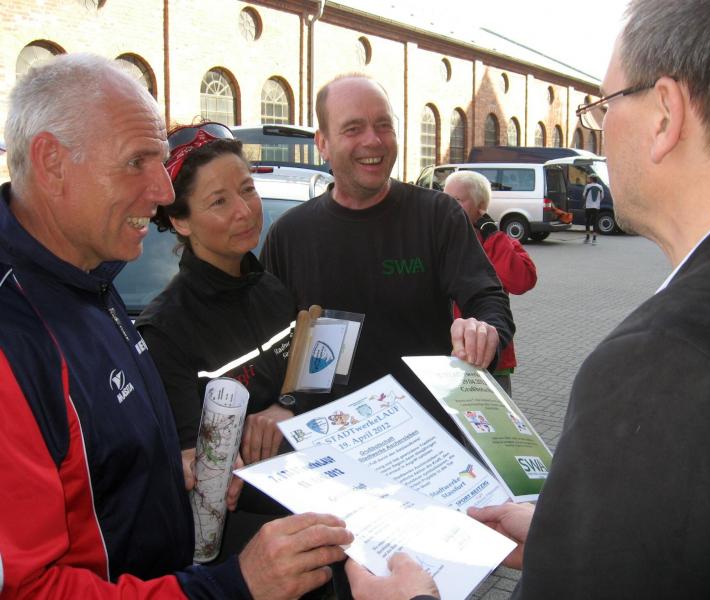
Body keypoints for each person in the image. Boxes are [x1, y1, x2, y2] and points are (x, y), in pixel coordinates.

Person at [347, 0, 710, 596]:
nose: (600, 129)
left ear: (665, 114)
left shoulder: (663, 362)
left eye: (605, 105)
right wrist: (574, 534)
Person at [0, 53, 351, 599]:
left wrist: (176, 467)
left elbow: (106, 472)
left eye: (160, 163)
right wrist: (232, 586)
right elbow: (28, 590)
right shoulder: (19, 336)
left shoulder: (91, 282)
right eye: (137, 161)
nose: (163, 192)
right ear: (52, 161)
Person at [262, 74, 514, 436]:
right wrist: (277, 401)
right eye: (353, 128)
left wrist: (484, 330)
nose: (373, 140)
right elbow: (268, 340)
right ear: (323, 143)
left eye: (384, 125)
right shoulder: (290, 234)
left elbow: (488, 298)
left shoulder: (437, 216)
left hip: (426, 436)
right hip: (328, 438)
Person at [134, 123, 300, 559]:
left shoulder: (274, 291)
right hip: (244, 550)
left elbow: (308, 384)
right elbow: (197, 475)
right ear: (179, 220)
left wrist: (287, 406)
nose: (245, 211)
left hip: (311, 505)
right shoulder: (165, 332)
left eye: (247, 190)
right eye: (219, 201)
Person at [443, 169, 537, 397]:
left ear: (481, 207)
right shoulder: (440, 240)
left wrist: (493, 237)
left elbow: (522, 281)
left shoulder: (501, 243)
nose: (448, 206)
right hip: (448, 354)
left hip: (490, 356)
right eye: (445, 199)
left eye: (457, 200)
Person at [582, 174, 603, 244]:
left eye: (589, 178)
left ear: (591, 179)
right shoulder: (600, 187)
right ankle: (594, 239)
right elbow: (602, 197)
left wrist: (587, 201)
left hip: (588, 206)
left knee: (587, 222)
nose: (589, 180)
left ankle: (587, 238)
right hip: (596, 207)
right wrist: (597, 202)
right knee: (595, 222)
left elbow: (584, 196)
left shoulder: (588, 186)